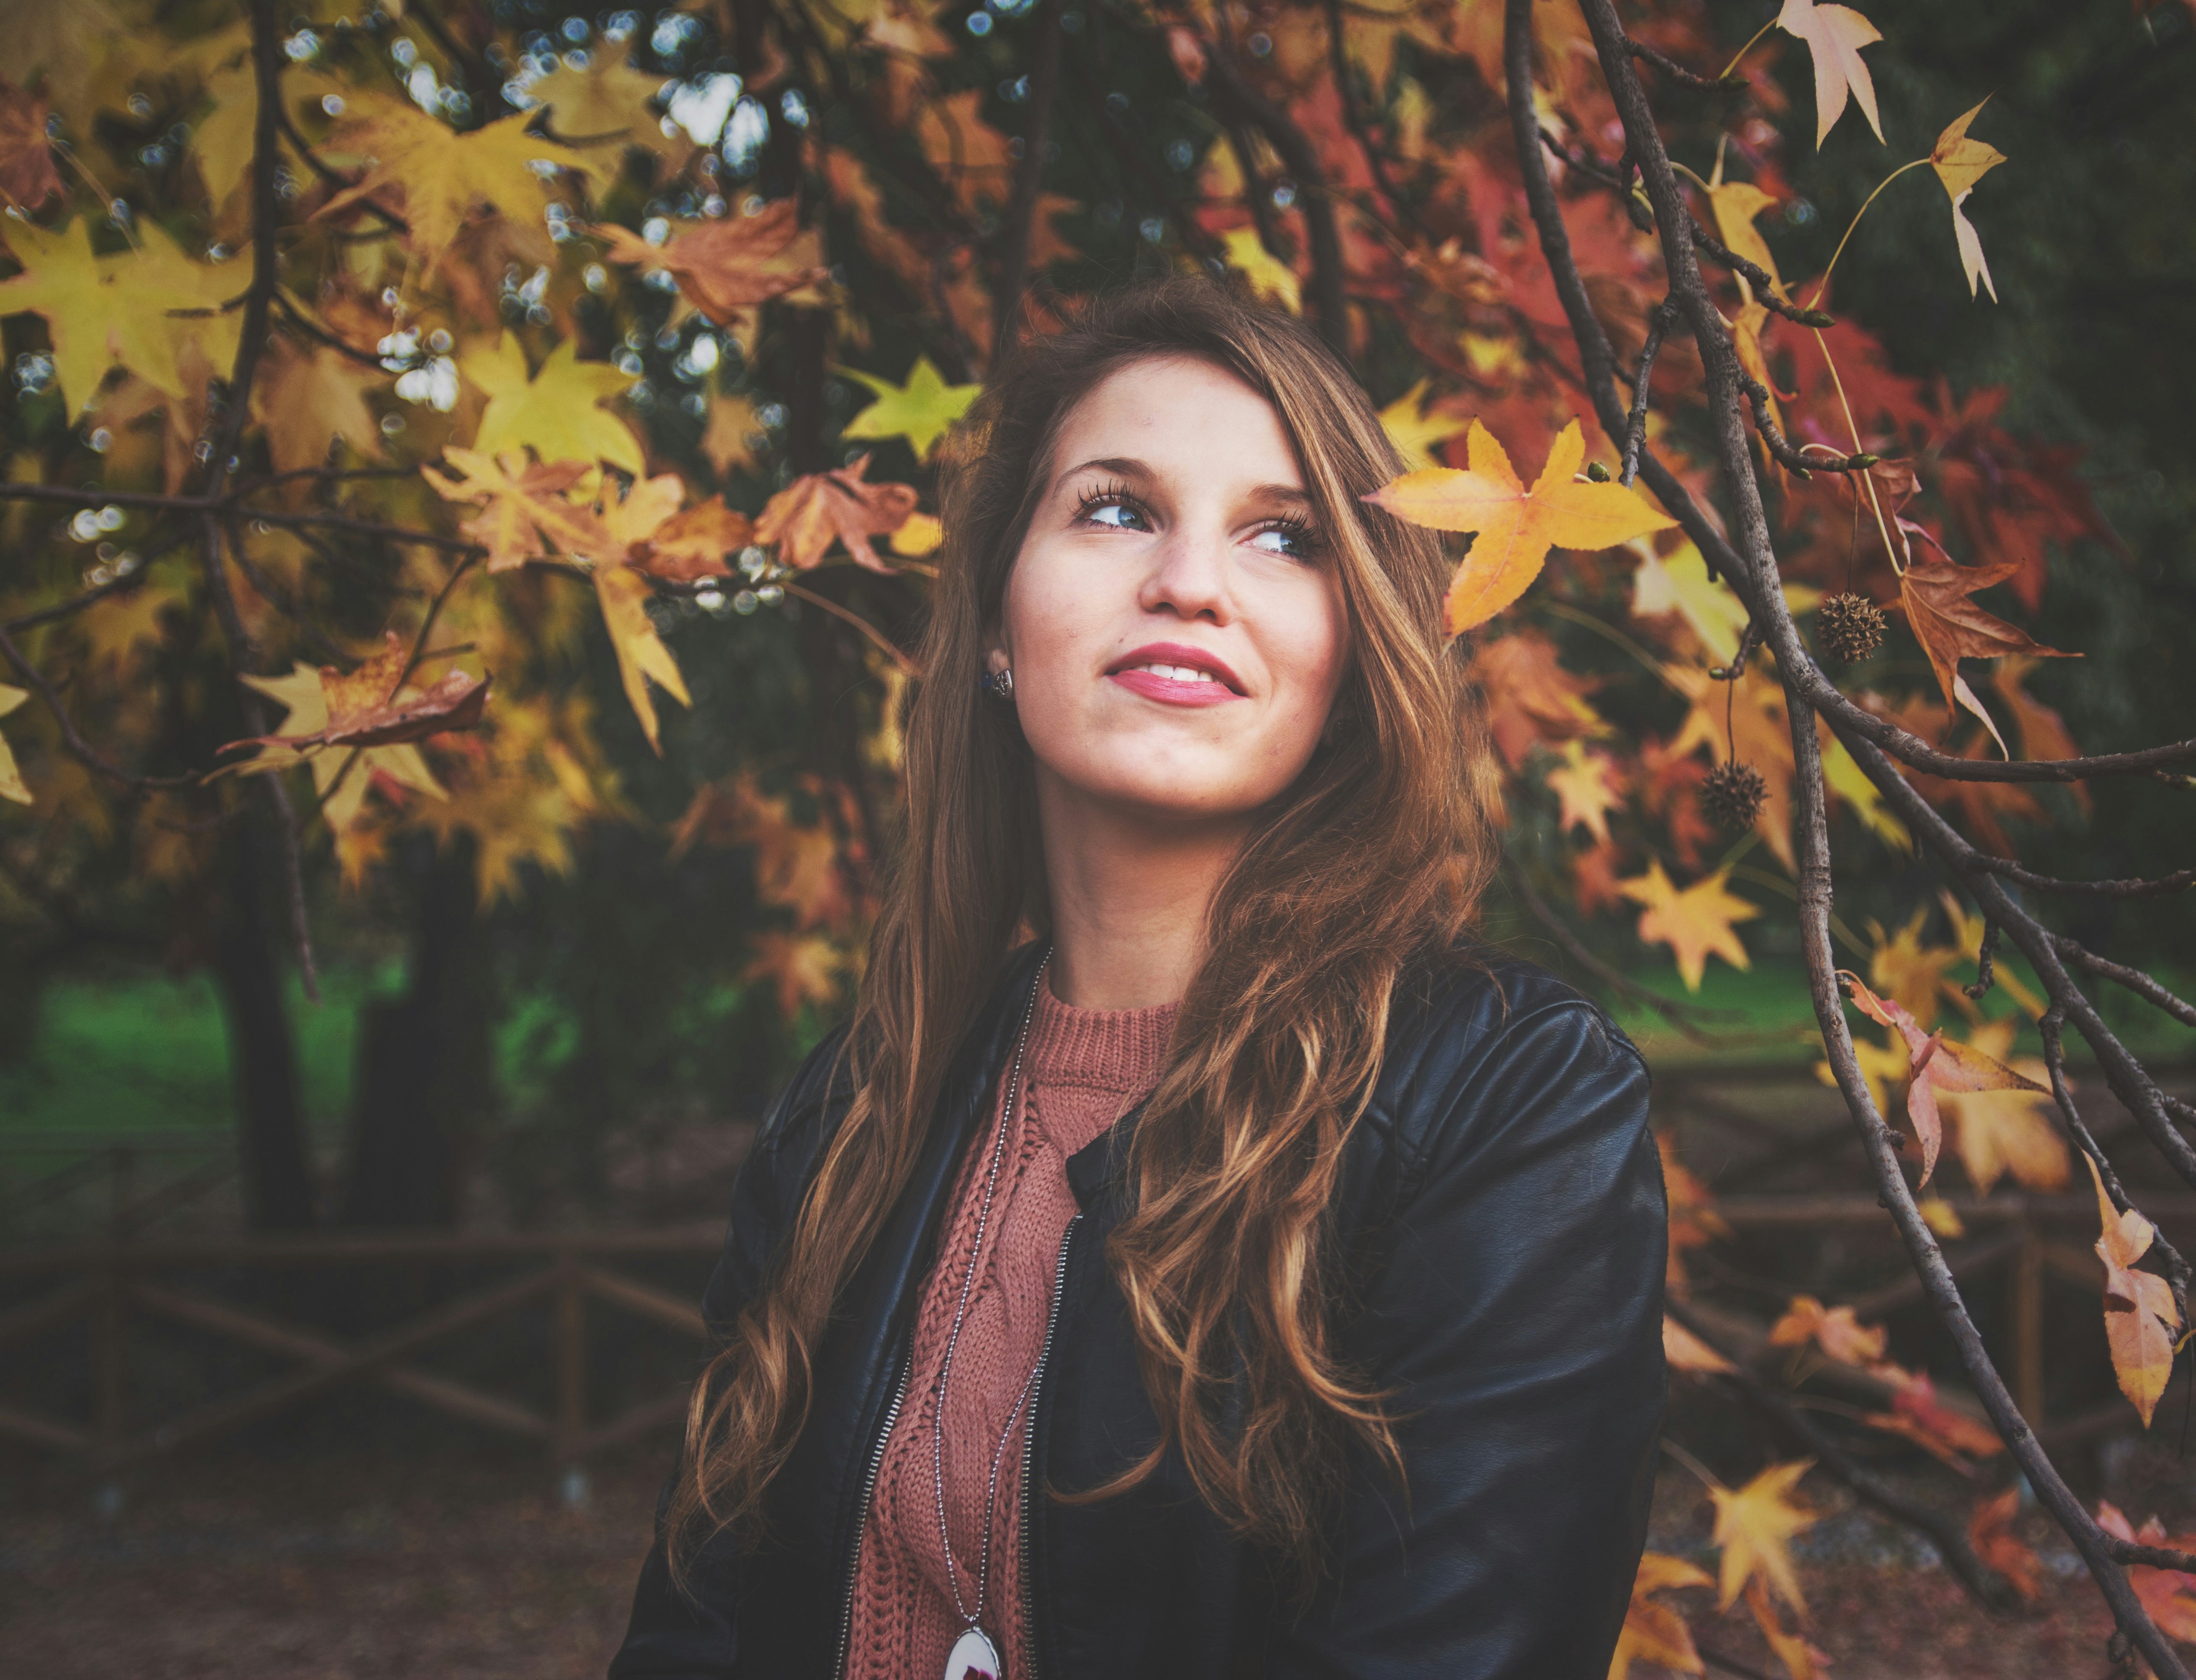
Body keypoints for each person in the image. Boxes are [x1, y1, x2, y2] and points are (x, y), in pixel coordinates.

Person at [611, 276, 1666, 1680]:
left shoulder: (1505, 1101)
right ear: (996, 624)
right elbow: (698, 1631)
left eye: (1284, 537)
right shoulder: (849, 1120)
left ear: (1353, 660)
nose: (1187, 581)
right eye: (1115, 508)